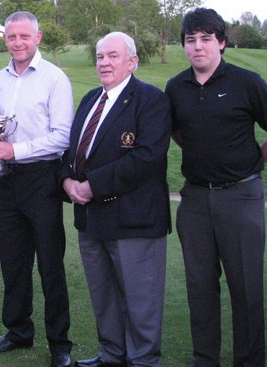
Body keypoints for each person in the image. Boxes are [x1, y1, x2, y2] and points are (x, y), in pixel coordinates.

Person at [0, 11, 74, 367]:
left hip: (42, 178)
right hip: (6, 181)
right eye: (11, 37)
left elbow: (62, 136)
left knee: (49, 264)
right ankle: (18, 332)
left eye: (23, 37)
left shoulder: (54, 78)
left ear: (38, 38)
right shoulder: (0, 79)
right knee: (13, 263)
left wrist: (17, 149)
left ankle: (59, 342)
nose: (17, 43)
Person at [61, 32, 171, 367]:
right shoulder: (91, 99)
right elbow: (72, 150)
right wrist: (66, 179)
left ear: (132, 62)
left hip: (134, 219)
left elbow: (146, 158)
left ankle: (143, 360)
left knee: (141, 299)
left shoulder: (151, 100)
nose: (104, 63)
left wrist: (92, 185)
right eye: (99, 57)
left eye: (112, 56)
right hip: (92, 219)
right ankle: (112, 354)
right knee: (103, 294)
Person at [165, 8, 267, 367]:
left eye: (206, 39)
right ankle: (204, 358)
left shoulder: (248, 82)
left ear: (221, 43)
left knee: (247, 288)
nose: (198, 47)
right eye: (190, 40)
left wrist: (257, 158)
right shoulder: (176, 87)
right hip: (194, 200)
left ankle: (250, 360)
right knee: (200, 288)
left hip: (242, 196)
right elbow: (178, 132)